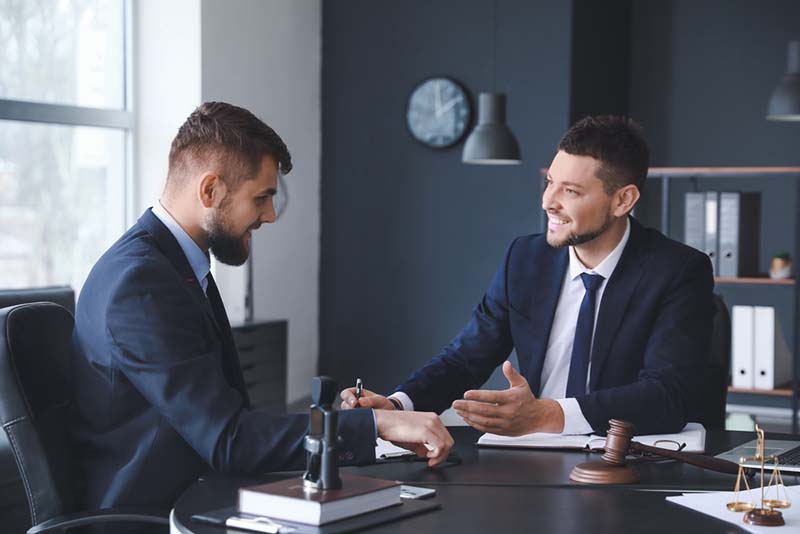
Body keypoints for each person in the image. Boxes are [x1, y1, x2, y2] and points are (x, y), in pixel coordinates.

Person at [70, 102, 453, 515]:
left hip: (202, 491)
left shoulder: (173, 266)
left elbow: (230, 425)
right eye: (263, 197)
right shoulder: (140, 285)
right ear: (210, 190)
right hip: (153, 515)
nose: (270, 215)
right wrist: (378, 425)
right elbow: (228, 438)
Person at [342, 115, 717, 437]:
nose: (548, 201)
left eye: (569, 191)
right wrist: (396, 404)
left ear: (623, 200)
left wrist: (548, 414)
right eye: (550, 182)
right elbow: (464, 360)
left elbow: (668, 394)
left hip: (626, 460)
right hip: (533, 454)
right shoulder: (525, 258)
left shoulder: (678, 271)